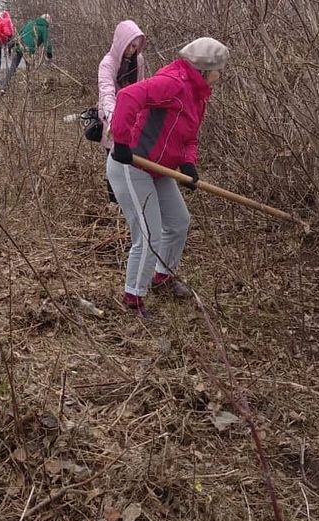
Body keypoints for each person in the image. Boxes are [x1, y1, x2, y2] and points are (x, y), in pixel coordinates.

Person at [106, 37, 229, 315]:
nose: (220, 76)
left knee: (178, 222)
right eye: (218, 70)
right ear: (203, 69)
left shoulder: (198, 95)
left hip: (159, 169)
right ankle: (133, 298)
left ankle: (162, 276)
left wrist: (188, 164)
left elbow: (189, 137)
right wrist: (123, 141)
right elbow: (128, 96)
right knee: (149, 235)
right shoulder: (174, 83)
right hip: (131, 165)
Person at [97, 20, 147, 202]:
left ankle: (131, 197)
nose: (132, 50)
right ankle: (114, 201)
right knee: (113, 158)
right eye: (129, 45)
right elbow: (106, 92)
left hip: (133, 119)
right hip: (112, 119)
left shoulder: (138, 61)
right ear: (121, 41)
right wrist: (113, 120)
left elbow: (142, 88)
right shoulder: (107, 64)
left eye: (135, 46)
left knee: (133, 159)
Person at [1, 13, 52, 92]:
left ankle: (4, 87)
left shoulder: (30, 23)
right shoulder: (44, 28)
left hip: (19, 47)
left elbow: (20, 34)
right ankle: (29, 89)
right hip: (29, 51)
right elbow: (47, 43)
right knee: (30, 70)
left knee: (12, 68)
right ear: (48, 21)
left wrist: (11, 44)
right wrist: (49, 55)